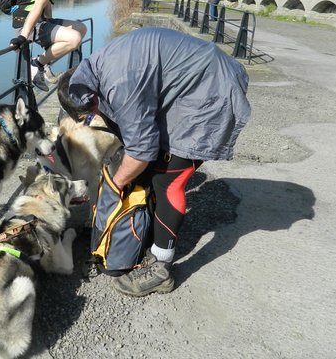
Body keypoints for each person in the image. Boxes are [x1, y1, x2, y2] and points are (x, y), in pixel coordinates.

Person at [57, 27, 251, 297]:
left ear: (90, 98)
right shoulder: (97, 68)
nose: (95, 117)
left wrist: (115, 184)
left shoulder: (117, 83)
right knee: (150, 173)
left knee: (167, 180)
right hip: (193, 84)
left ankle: (161, 268)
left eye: (91, 115)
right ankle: (146, 237)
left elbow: (141, 151)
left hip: (212, 91)